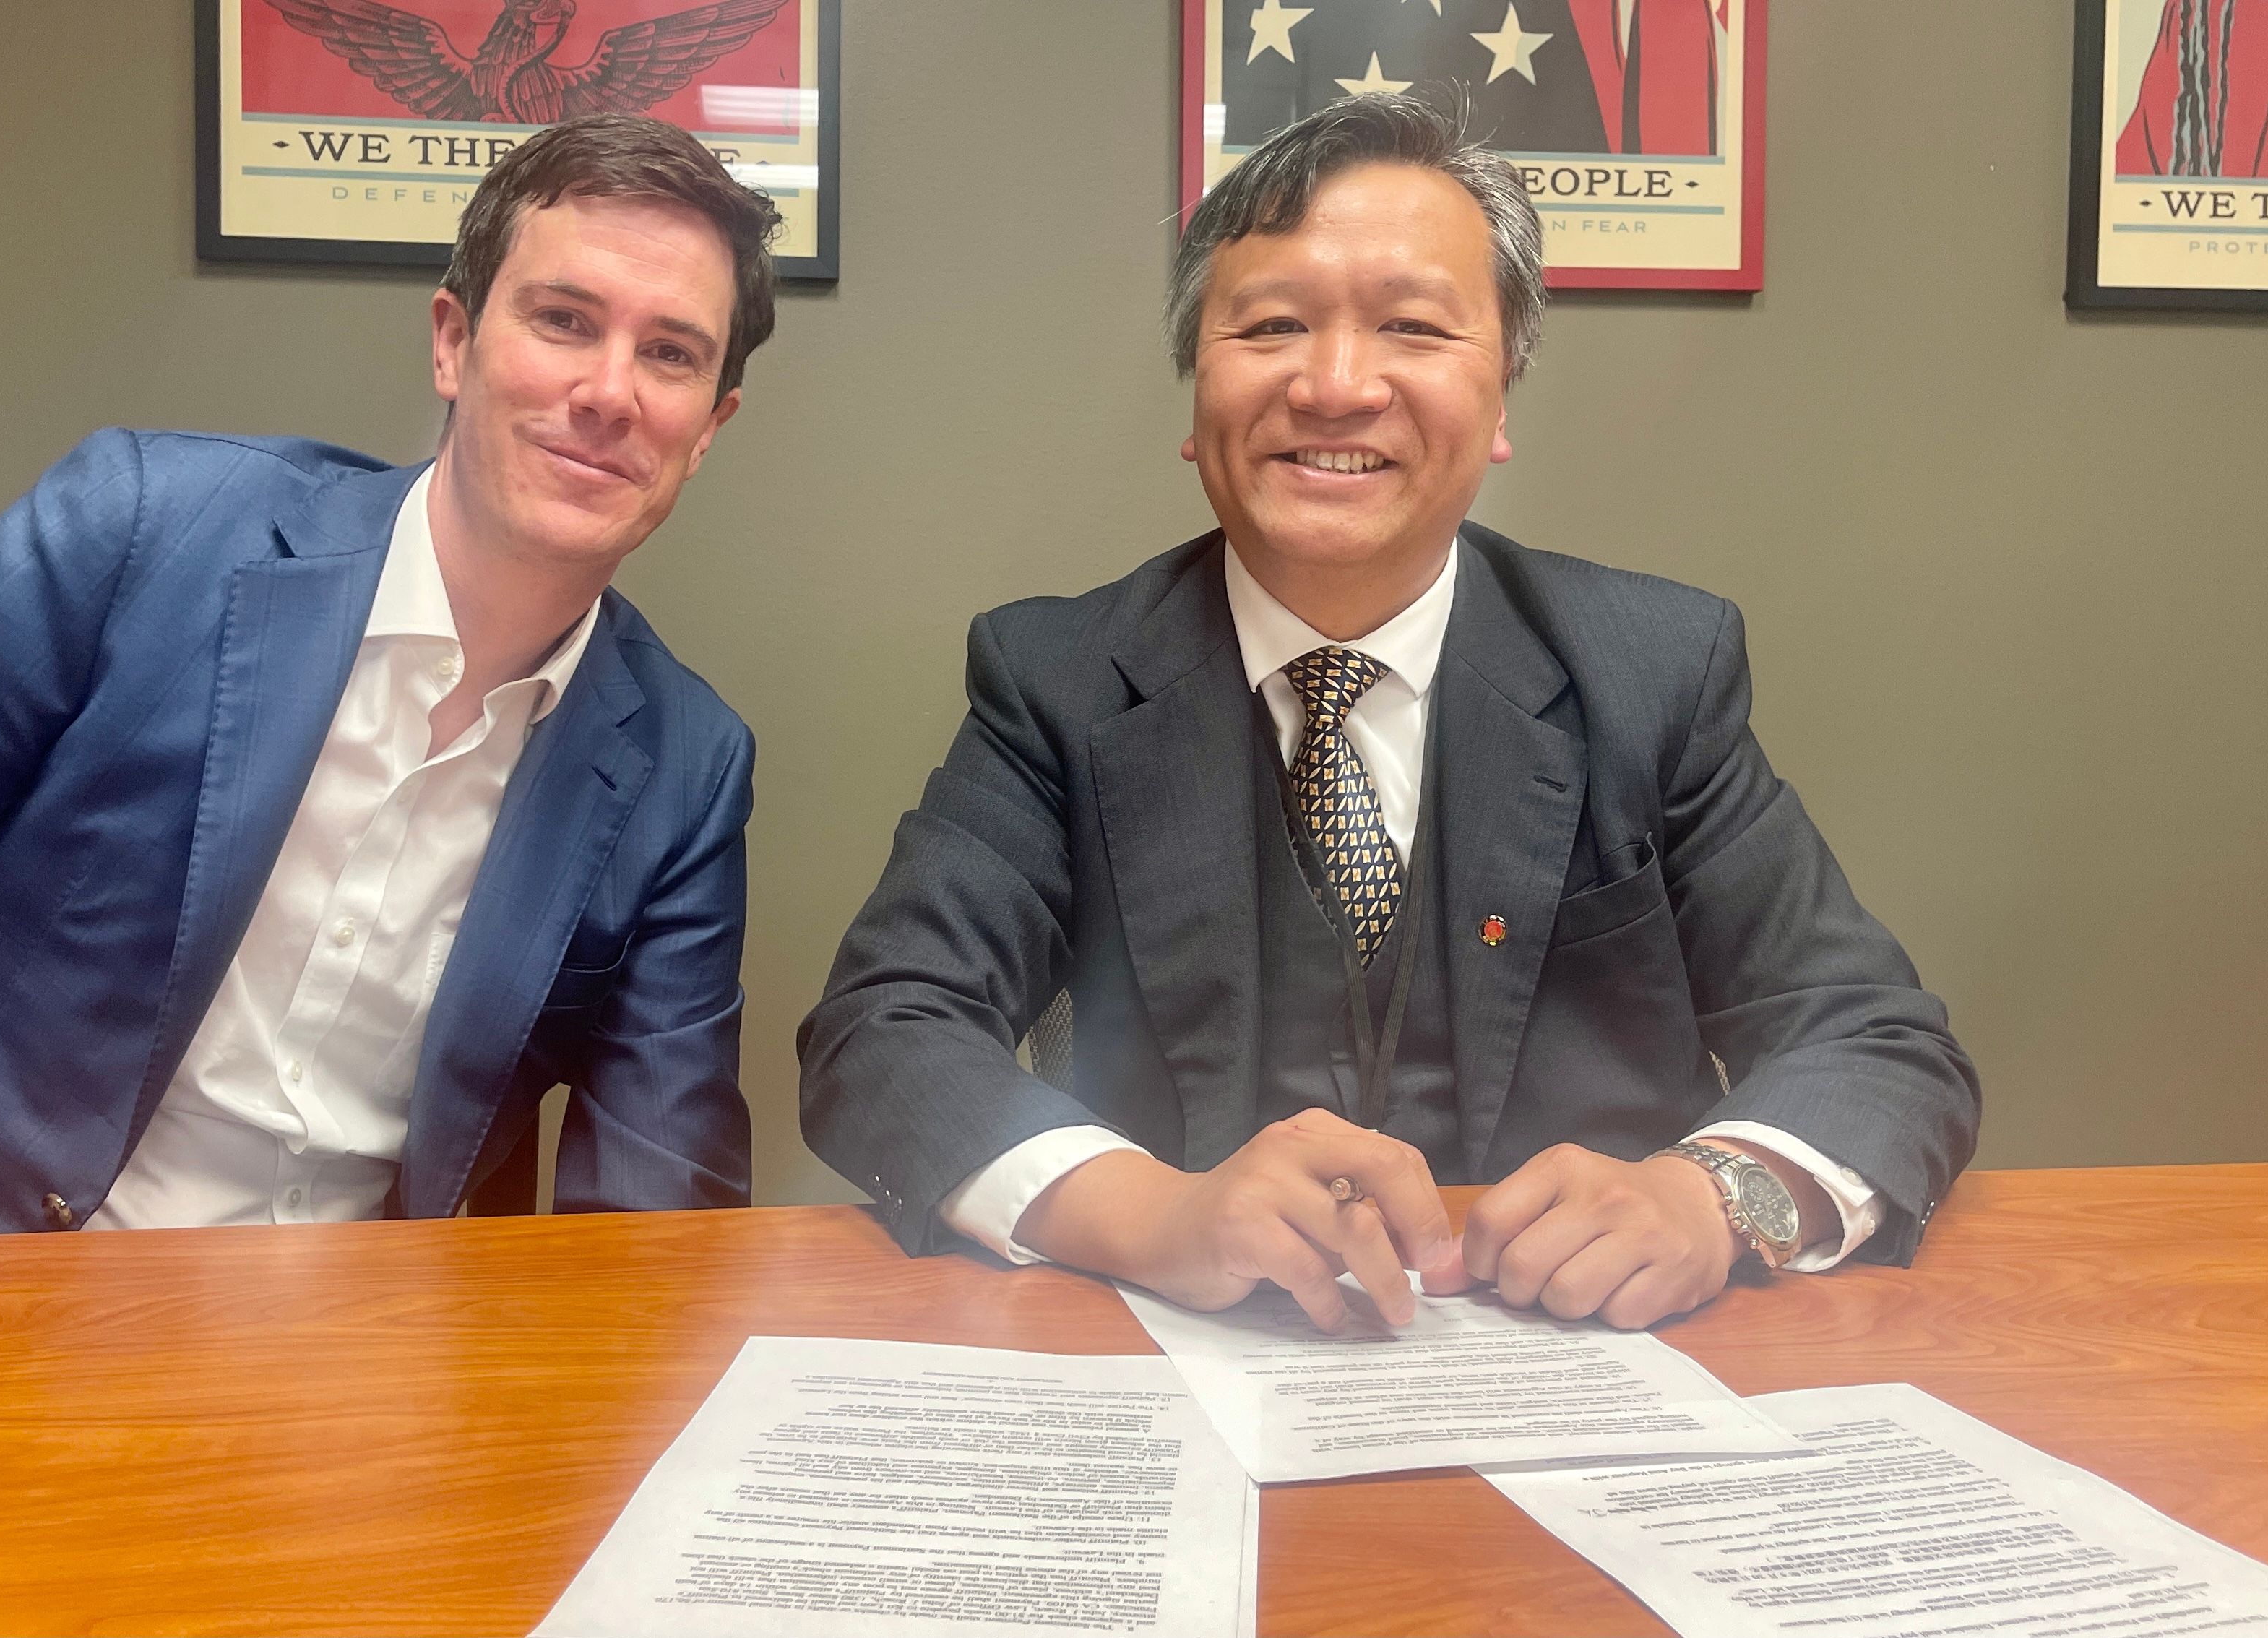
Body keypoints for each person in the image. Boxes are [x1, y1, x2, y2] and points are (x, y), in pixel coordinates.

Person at [800, 95, 1978, 1333]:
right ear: (1196, 395)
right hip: (1189, 1363)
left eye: (1411, 327)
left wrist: (1715, 1199)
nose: (1336, 384)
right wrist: (1154, 1214)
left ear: (1504, 398)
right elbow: (886, 1032)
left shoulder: (1656, 672)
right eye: (1270, 327)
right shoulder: (1057, 677)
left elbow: (1880, 1043)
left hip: (1587, 1369)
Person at [0, 114, 773, 1241]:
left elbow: (654, 1214)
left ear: (710, 423)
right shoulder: (140, 533)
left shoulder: (684, 765)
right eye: (565, 320)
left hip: (352, 1367)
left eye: (670, 353)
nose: (613, 392)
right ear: (453, 342)